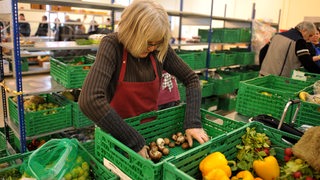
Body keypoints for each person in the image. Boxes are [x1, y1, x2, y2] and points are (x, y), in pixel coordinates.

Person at [78, 0, 209, 159]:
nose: (152, 48)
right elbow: (89, 100)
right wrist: (134, 141)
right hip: (115, 136)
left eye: (157, 43)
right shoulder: (113, 45)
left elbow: (192, 79)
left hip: (149, 132)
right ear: (131, 33)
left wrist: (193, 123)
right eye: (148, 43)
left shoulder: (159, 48)